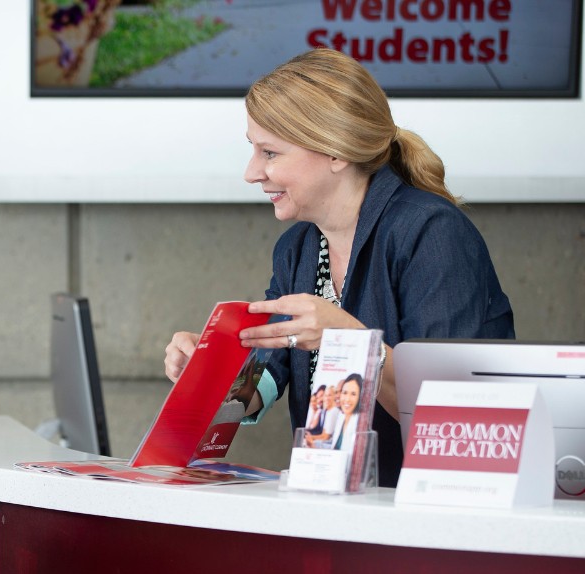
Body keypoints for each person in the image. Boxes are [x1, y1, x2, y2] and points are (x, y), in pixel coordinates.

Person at [164, 48, 514, 486]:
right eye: (253, 150)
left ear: (335, 152)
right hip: (340, 511)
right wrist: (208, 376)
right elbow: (264, 378)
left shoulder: (431, 232)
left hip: (430, 509)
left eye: (270, 153)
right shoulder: (297, 248)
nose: (252, 172)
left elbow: (453, 415)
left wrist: (349, 340)